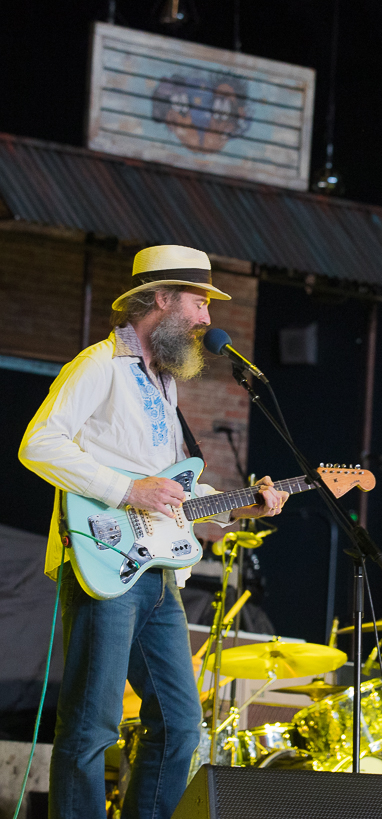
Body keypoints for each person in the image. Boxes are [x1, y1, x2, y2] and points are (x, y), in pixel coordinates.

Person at [19, 245, 290, 819]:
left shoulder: (166, 386)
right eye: (198, 303)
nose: (207, 320)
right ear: (162, 299)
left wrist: (242, 510)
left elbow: (176, 498)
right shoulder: (98, 365)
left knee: (180, 722)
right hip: (105, 562)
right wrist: (128, 491)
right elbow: (38, 444)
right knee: (93, 724)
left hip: (158, 572)